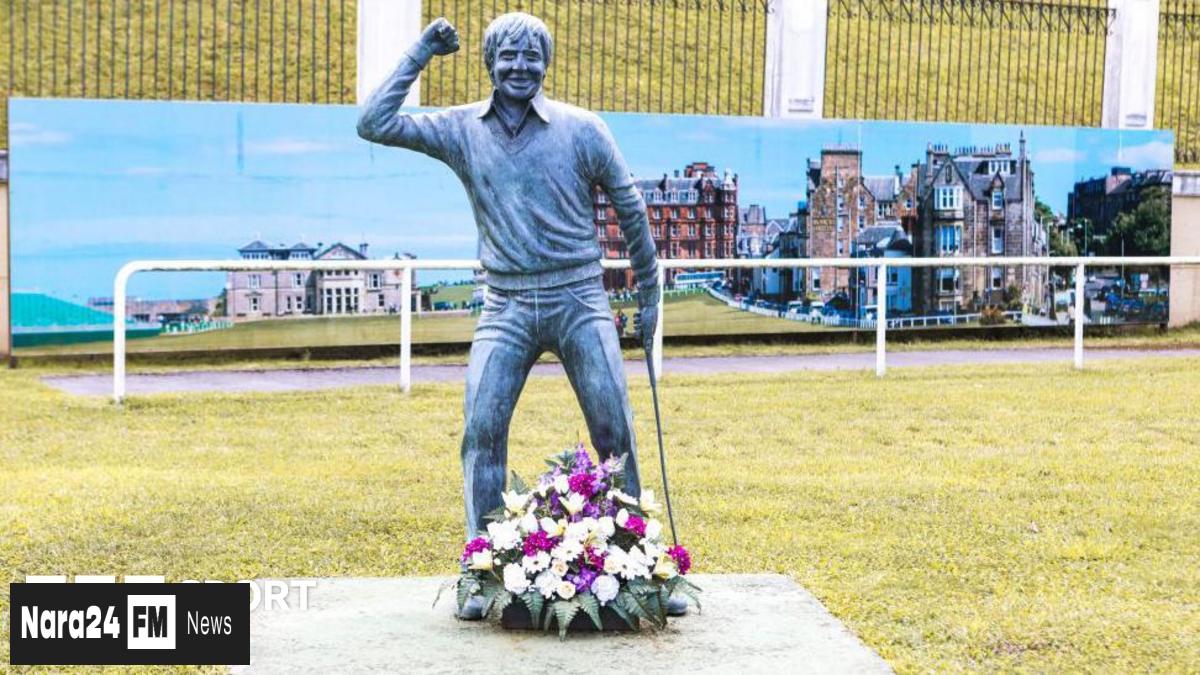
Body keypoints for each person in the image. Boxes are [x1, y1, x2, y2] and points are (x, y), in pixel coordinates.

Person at [357, 12, 675, 619]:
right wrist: (423, 50)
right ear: (489, 64)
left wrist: (650, 289)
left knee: (616, 431)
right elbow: (373, 122)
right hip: (504, 304)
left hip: (580, 297)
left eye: (532, 57)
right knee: (481, 431)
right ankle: (482, 569)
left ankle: (643, 566)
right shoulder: (459, 130)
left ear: (546, 64)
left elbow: (630, 208)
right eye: (508, 57)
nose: (520, 67)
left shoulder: (584, 130)